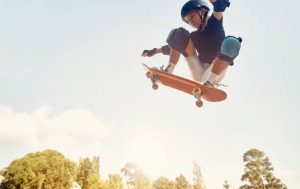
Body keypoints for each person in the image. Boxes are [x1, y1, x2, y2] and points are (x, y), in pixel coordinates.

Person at [142, 0, 242, 88]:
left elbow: (220, 6)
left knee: (231, 42)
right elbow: (174, 47)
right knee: (179, 34)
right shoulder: (194, 36)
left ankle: (209, 83)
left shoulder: (215, 23)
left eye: (192, 16)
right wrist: (154, 51)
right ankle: (168, 71)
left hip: (215, 72)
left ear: (202, 12)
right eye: (188, 21)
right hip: (198, 70)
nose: (191, 22)